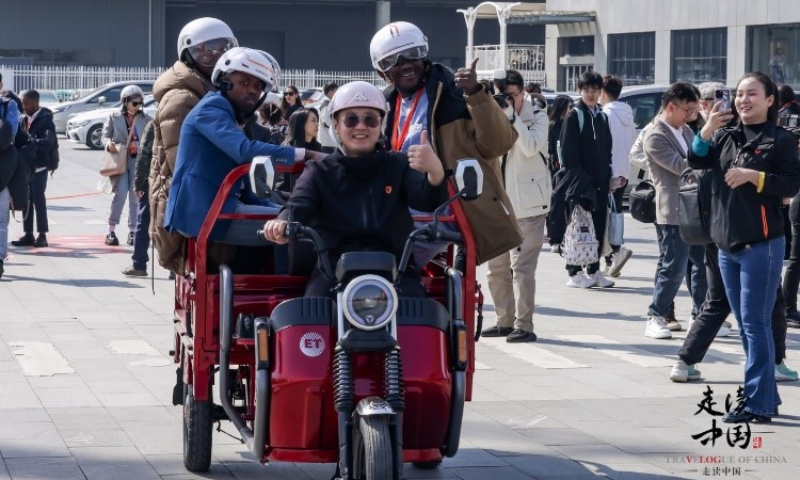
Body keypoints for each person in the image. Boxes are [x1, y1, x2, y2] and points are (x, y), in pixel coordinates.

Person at [262, 81, 447, 297]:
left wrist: (435, 171)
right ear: (336, 125)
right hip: (331, 271)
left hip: (398, 270)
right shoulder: (319, 170)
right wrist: (282, 221)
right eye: (350, 119)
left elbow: (426, 199)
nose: (360, 127)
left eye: (370, 119)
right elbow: (299, 204)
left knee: (422, 318)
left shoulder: (398, 165)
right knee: (310, 316)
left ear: (381, 125)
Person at [689, 71, 800, 423]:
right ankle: (766, 395)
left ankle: (756, 403)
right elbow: (697, 160)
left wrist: (755, 177)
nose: (743, 100)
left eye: (752, 93)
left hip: (762, 244)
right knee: (745, 323)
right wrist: (705, 131)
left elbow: (792, 183)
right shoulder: (725, 135)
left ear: (770, 100)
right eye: (739, 94)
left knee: (754, 323)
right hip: (726, 245)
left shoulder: (780, 139)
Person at [369, 21, 520, 266]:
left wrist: (475, 94)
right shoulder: (383, 105)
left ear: (425, 55)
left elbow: (499, 145)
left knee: (385, 259)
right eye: (392, 61)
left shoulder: (454, 92)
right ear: (381, 71)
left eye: (413, 54)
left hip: (446, 209)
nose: (405, 64)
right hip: (401, 206)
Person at [165, 47, 324, 247]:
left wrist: (282, 208)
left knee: (292, 219)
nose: (252, 90)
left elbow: (247, 183)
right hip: (204, 211)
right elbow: (244, 150)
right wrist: (307, 154)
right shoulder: (212, 108)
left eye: (258, 86)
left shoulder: (231, 116)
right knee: (300, 229)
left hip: (220, 206)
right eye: (245, 82)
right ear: (225, 81)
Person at [150, 17, 238, 274]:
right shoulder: (182, 99)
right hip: (188, 209)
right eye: (208, 51)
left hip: (204, 201)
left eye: (224, 49)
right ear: (189, 54)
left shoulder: (209, 93)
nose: (217, 56)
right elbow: (185, 163)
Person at [481, 69, 550, 343]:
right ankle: (503, 321)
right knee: (496, 268)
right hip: (500, 203)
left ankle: (525, 325)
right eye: (503, 96)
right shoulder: (498, 114)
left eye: (512, 96)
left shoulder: (539, 113)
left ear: (523, 92)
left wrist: (511, 117)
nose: (508, 101)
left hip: (530, 205)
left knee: (522, 269)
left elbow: (531, 147)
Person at [643, 83, 707, 338]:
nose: (691, 115)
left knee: (700, 265)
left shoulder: (686, 131)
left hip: (695, 209)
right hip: (672, 211)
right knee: (674, 267)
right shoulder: (655, 135)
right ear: (672, 107)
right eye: (688, 110)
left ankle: (699, 314)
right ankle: (655, 315)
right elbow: (683, 166)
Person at [559, 71, 614, 288]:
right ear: (579, 91)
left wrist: (609, 175)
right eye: (586, 90)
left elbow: (607, 149)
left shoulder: (601, 116)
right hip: (581, 183)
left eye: (595, 90)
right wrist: (581, 180)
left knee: (597, 226)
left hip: (600, 182)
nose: (590, 94)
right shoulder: (575, 116)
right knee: (578, 227)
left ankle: (594, 268)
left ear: (601, 92)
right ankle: (573, 272)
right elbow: (568, 153)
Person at [101, 85, 153, 246]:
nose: (138, 106)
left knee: (135, 196)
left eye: (140, 102)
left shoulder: (147, 119)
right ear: (125, 101)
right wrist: (108, 143)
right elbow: (105, 135)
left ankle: (132, 231)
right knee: (121, 194)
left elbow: (152, 140)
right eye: (134, 102)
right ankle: (110, 231)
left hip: (138, 162)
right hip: (120, 159)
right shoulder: (114, 116)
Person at [600, 75, 636, 277]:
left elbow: (605, 145)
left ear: (603, 92)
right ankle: (611, 259)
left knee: (606, 216)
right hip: (623, 169)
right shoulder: (627, 114)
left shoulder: (606, 114)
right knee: (614, 212)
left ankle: (616, 250)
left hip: (609, 170)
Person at [12, 90, 57, 248]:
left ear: (35, 103)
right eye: (22, 103)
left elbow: (48, 142)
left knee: (39, 199)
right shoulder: (23, 118)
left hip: (40, 166)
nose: (23, 107)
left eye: (26, 103)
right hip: (26, 166)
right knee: (26, 200)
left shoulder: (46, 119)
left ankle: (42, 235)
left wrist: (31, 141)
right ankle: (28, 234)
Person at [122, 120, 155, 276]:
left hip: (154, 181)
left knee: (143, 222)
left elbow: (144, 156)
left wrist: (139, 183)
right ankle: (174, 269)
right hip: (178, 181)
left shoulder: (156, 124)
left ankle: (139, 264)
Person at [0, 92, 21, 278]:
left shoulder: (9, 105)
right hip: (4, 169)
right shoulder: (10, 106)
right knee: (1, 220)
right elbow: (12, 134)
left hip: (4, 170)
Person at [317, 81, 339, 153]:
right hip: (327, 142)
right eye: (336, 90)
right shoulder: (326, 106)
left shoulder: (330, 103)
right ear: (330, 92)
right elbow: (327, 123)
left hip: (330, 142)